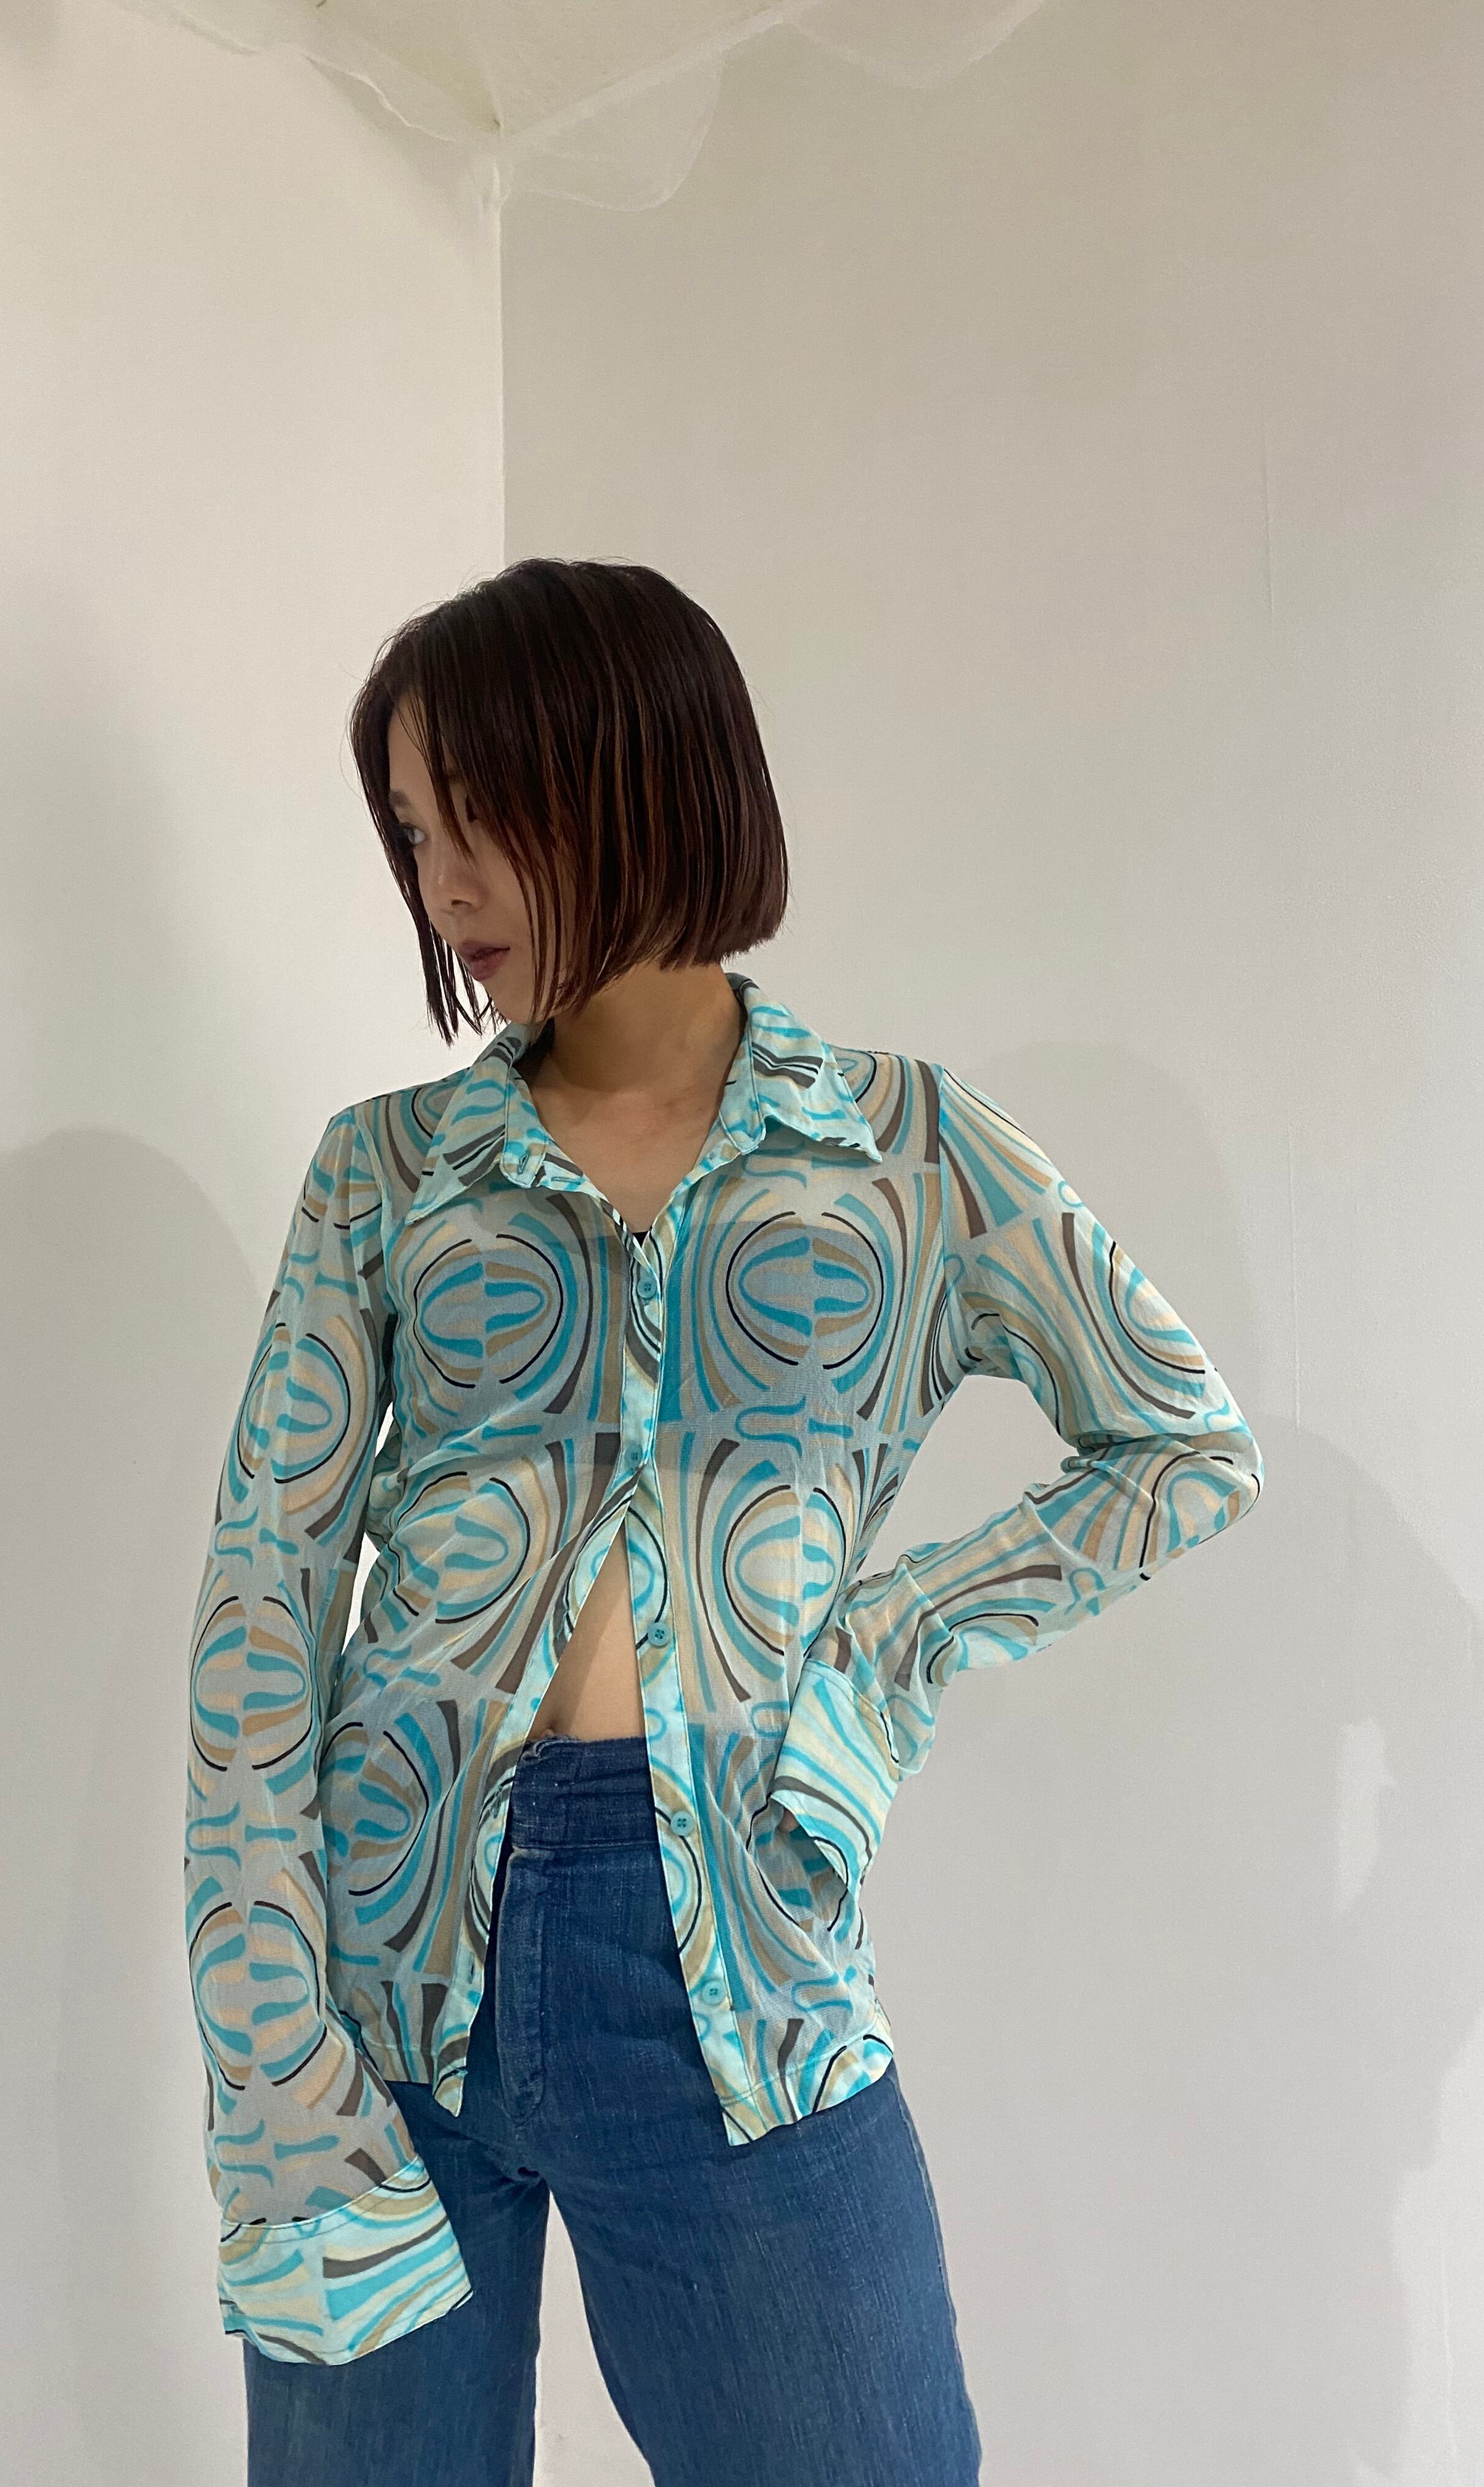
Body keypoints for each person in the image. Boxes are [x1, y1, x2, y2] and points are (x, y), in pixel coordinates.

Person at [184, 558, 1264, 2486]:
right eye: (413, 836)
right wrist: (271, 2058)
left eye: (479, 819)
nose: (443, 889)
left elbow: (1179, 1445)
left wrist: (883, 1659)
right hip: (375, 1971)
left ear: (638, 775)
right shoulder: (386, 1173)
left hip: (737, 1959)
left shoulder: (908, 1149)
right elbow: (263, 1611)